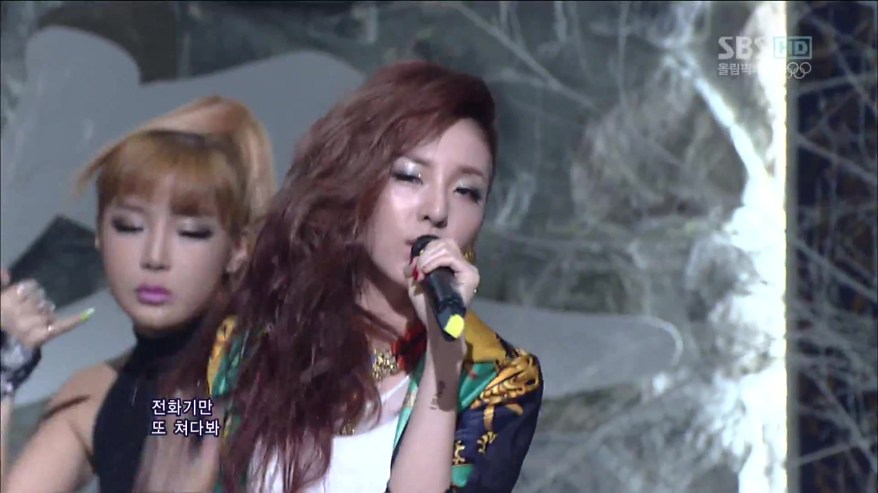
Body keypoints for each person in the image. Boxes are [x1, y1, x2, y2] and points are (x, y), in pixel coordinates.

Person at [137, 60, 544, 493]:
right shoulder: (249, 338)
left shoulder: (499, 379)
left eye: (466, 191)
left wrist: (444, 362)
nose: (437, 210)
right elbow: (170, 443)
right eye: (410, 176)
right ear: (355, 180)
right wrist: (178, 424)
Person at [0, 96, 276, 493]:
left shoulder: (274, 370)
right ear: (99, 234)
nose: (154, 257)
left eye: (191, 233)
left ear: (238, 249)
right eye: (129, 226)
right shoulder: (95, 395)